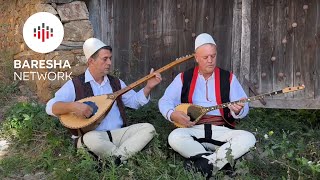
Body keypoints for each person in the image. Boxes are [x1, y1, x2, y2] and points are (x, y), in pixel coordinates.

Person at [46, 38, 162, 165]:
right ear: (91, 61)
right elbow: (51, 107)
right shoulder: (76, 84)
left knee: (148, 129)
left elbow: (134, 102)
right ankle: (124, 157)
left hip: (119, 134)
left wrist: (148, 87)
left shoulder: (116, 83)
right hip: (95, 137)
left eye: (110, 58)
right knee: (89, 139)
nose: (109, 62)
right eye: (105, 59)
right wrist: (73, 106)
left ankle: (114, 160)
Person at [158, 33, 256, 177]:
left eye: (213, 56)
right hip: (194, 130)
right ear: (196, 58)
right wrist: (172, 114)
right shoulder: (183, 78)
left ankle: (204, 163)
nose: (210, 60)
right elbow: (165, 101)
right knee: (174, 137)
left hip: (221, 131)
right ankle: (221, 162)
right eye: (205, 57)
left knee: (248, 138)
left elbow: (244, 106)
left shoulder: (228, 78)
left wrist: (239, 109)